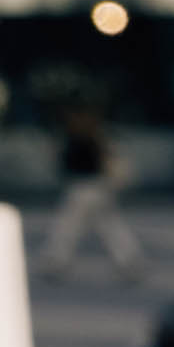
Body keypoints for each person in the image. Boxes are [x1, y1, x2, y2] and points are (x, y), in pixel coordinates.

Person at [50, 102, 144, 277]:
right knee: (107, 226)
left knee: (69, 227)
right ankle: (129, 261)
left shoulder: (87, 140)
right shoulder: (90, 139)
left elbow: (104, 162)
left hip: (85, 188)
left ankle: (56, 262)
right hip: (92, 188)